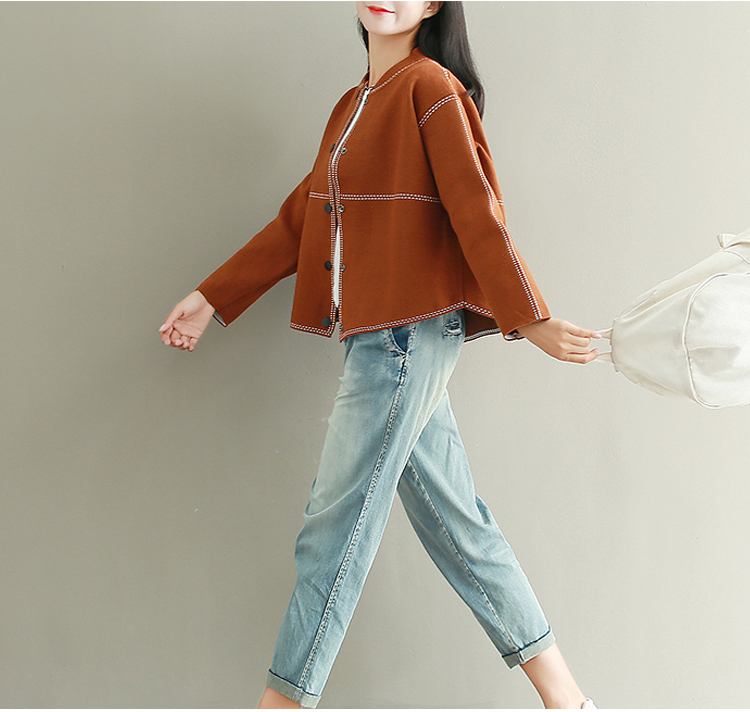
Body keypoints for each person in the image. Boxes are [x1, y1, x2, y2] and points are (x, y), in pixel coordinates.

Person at [159, 2, 600, 708]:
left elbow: (476, 210)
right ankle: (569, 701)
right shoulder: (352, 103)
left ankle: (281, 705)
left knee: (331, 530)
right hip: (381, 336)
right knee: (459, 525)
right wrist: (214, 296)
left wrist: (530, 319)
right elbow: (303, 216)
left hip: (405, 336)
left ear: (433, 5)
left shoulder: (431, 88)